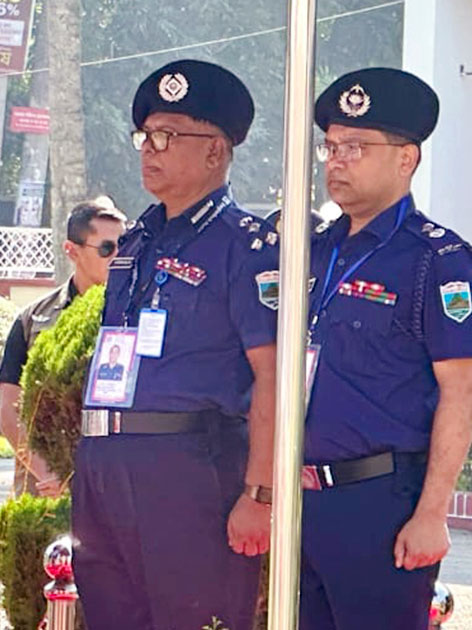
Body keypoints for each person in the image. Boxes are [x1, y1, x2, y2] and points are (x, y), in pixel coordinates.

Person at [72, 59, 279, 630]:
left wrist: (260, 492)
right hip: (107, 462)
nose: (149, 149)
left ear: (214, 150)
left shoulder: (247, 246)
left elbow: (273, 376)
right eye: (144, 135)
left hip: (189, 468)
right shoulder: (137, 239)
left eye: (166, 136)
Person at [299, 67, 472, 630]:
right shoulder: (311, 251)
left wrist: (432, 514)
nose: (337, 161)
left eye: (356, 147)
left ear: (406, 158)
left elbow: (461, 392)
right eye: (330, 146)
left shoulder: (435, 261)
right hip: (301, 501)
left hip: (379, 505)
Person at [0, 199, 125, 496]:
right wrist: (49, 473)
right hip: (45, 488)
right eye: (107, 248)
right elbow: (10, 411)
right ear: (72, 251)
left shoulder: (142, 317)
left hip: (117, 485)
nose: (118, 256)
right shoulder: (33, 320)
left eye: (124, 246)